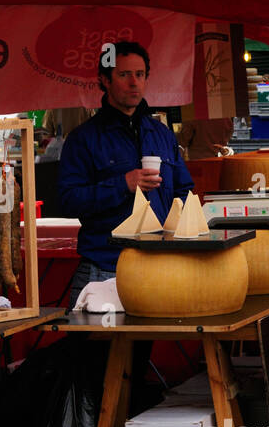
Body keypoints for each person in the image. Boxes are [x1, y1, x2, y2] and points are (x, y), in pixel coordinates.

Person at [58, 41, 194, 302]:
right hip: (106, 266)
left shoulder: (162, 134)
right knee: (94, 342)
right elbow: (67, 201)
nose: (134, 82)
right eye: (124, 75)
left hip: (159, 265)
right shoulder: (84, 139)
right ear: (104, 80)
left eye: (140, 75)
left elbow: (184, 191)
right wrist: (122, 185)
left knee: (144, 343)